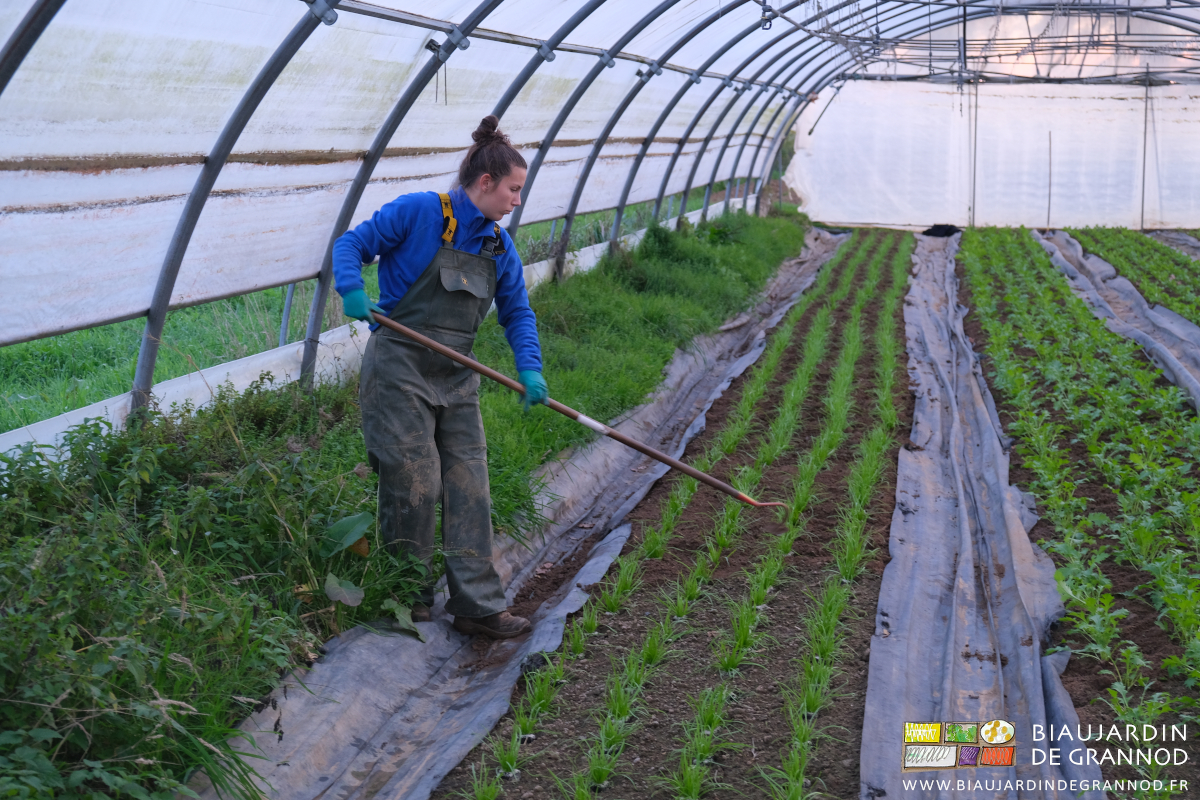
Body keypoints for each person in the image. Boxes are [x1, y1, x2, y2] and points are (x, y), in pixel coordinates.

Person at [332, 115, 547, 640]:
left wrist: (531, 369)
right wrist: (351, 289)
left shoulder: (499, 246)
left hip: (457, 374)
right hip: (400, 364)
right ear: (485, 183)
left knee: (469, 484)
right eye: (514, 190)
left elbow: (517, 311)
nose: (517, 201)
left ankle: (477, 606)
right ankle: (405, 596)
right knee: (415, 478)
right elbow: (351, 244)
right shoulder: (420, 212)